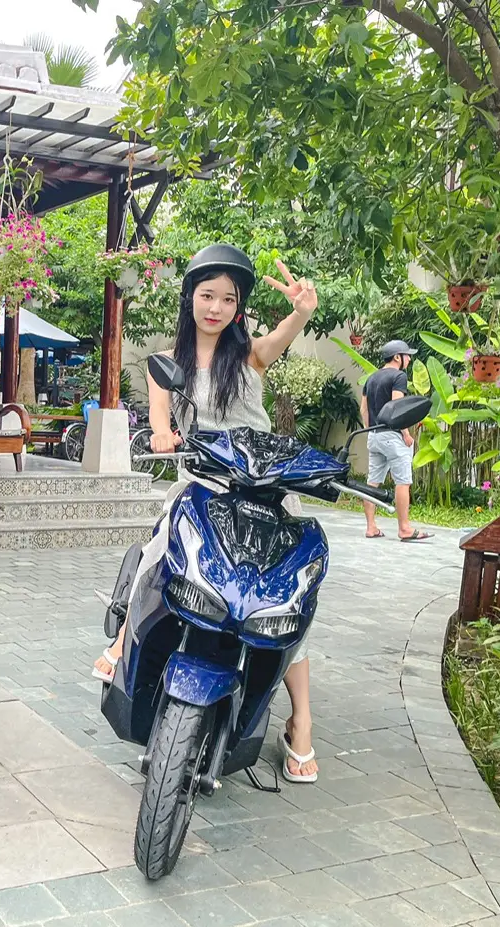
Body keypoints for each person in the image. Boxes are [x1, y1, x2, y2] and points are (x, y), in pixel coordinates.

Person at [91, 243, 323, 783]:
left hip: (264, 491)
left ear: (238, 308)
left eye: (227, 299)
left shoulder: (249, 356)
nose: (216, 307)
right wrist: (166, 434)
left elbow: (287, 331)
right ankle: (125, 639)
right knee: (158, 549)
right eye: (206, 295)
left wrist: (303, 309)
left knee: (287, 600)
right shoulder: (166, 363)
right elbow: (158, 421)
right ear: (190, 299)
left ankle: (302, 724)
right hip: (204, 484)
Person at [361, 340, 432, 542]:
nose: (409, 359)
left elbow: (363, 409)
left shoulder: (371, 378)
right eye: (407, 355)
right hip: (392, 435)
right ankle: (404, 529)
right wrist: (406, 434)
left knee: (372, 482)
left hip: (374, 435)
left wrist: (370, 430)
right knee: (403, 481)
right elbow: (397, 408)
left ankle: (371, 527)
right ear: (397, 357)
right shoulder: (399, 376)